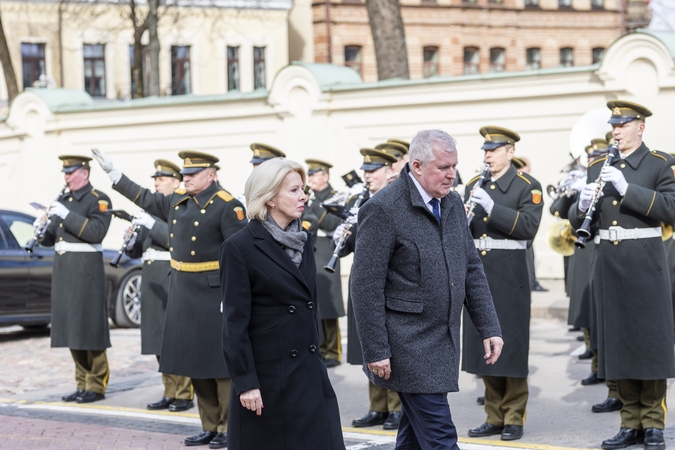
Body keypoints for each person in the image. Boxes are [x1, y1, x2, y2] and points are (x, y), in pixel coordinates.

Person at [351, 129, 503, 450]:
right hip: (407, 344)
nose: (452, 175)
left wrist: (488, 326)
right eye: (443, 168)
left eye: (454, 166)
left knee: (414, 439)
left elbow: (470, 269)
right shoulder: (384, 209)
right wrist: (376, 349)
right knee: (441, 439)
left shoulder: (451, 202)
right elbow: (365, 286)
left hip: (442, 339)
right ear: (416, 166)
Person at [92, 149, 247, 449]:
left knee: (218, 365)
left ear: (211, 174)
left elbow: (239, 255)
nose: (186, 179)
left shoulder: (227, 206)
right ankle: (210, 425)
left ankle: (229, 426)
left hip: (213, 291)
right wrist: (115, 175)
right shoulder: (178, 200)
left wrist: (233, 294)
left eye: (192, 174)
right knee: (195, 363)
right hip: (183, 290)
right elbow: (145, 198)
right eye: (185, 174)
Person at [569, 100, 675, 450]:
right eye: (614, 124)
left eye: (623, 124)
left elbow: (672, 208)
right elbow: (576, 218)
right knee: (620, 344)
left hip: (645, 262)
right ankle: (630, 422)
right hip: (610, 264)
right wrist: (580, 206)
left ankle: (654, 423)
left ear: (640, 127)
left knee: (649, 344)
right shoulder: (599, 164)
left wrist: (628, 189)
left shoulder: (660, 163)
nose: (616, 130)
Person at [219, 158, 345, 450]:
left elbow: (308, 309)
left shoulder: (303, 239)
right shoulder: (239, 247)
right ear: (270, 197)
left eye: (302, 189)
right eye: (294, 190)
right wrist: (246, 382)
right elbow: (234, 324)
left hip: (308, 373)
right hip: (267, 379)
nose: (304, 196)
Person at [462, 127, 543, 442]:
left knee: (510, 348)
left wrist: (493, 209)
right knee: (485, 347)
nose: (488, 156)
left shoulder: (527, 186)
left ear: (510, 151)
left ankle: (513, 417)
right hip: (479, 274)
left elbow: (528, 227)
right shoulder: (473, 185)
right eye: (485, 150)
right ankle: (493, 415)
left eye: (494, 150)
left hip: (510, 276)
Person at [334, 148, 403, 430]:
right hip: (364, 282)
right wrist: (343, 236)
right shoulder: (360, 199)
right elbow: (350, 248)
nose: (367, 175)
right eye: (365, 170)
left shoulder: (399, 199)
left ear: (389, 171)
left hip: (390, 282)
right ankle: (378, 406)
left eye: (373, 170)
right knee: (369, 344)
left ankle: (398, 407)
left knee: (391, 345)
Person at [36, 155, 112, 404]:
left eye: (70, 172)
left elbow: (96, 232)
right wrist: (40, 231)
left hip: (86, 274)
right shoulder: (63, 200)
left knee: (89, 328)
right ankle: (82, 383)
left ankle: (96, 384)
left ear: (85, 173)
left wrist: (67, 215)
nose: (66, 177)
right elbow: (52, 238)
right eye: (65, 173)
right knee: (72, 330)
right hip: (65, 273)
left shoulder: (98, 200)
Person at [124, 160, 194, 412]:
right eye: (155, 178)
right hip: (152, 278)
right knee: (157, 339)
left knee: (176, 338)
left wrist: (151, 225)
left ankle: (184, 393)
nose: (156, 182)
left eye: (162, 178)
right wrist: (131, 237)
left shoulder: (182, 206)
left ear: (176, 182)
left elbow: (177, 240)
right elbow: (137, 249)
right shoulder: (151, 210)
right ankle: (170, 390)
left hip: (170, 275)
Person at [305, 159, 345, 368]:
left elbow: (332, 223)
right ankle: (319, 347)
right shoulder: (308, 196)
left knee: (328, 304)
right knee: (314, 301)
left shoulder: (335, 197)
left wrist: (313, 205)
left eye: (314, 175)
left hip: (327, 249)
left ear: (325, 176)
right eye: (309, 175)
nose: (310, 179)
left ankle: (333, 350)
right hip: (312, 249)